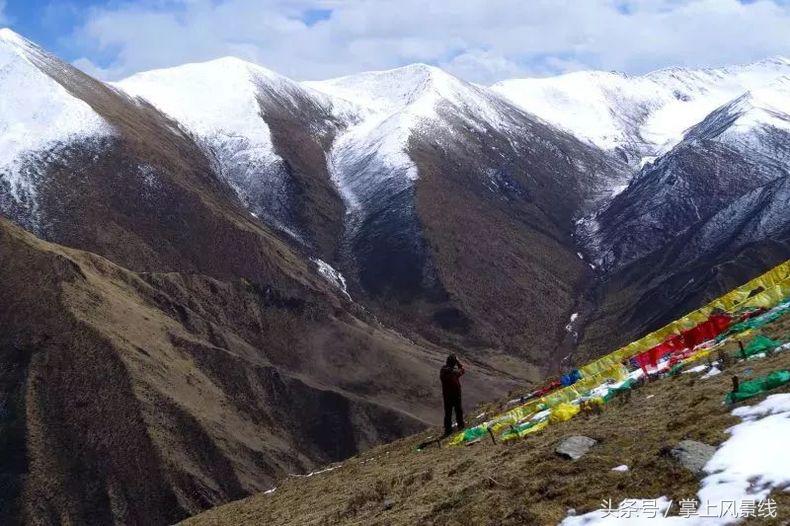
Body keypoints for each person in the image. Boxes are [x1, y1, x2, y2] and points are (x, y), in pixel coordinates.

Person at [440, 354, 465, 436]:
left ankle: (448, 430)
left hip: (447, 396)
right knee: (458, 411)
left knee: (448, 413)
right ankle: (460, 425)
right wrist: (458, 362)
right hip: (455, 395)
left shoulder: (443, 371)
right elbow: (462, 370)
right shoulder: (454, 372)